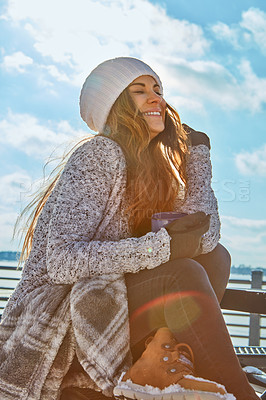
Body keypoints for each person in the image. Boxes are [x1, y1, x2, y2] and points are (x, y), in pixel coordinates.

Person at [0, 57, 259, 400]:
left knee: (216, 258)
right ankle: (241, 395)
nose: (157, 99)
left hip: (108, 308)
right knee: (181, 273)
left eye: (158, 90)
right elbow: (61, 261)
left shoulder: (154, 171)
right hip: (61, 318)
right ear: (116, 106)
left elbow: (205, 237)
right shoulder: (98, 154)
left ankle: (157, 363)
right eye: (140, 91)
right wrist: (160, 248)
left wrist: (198, 157)